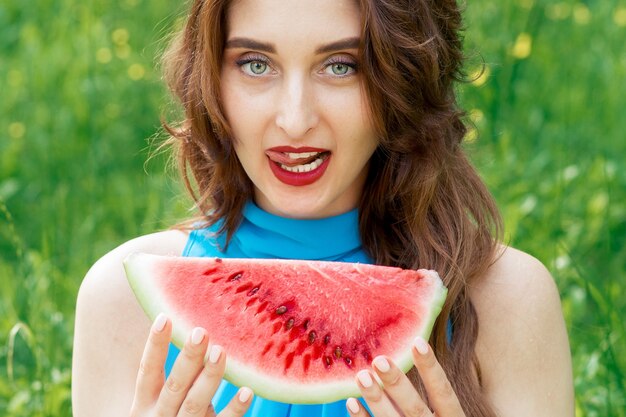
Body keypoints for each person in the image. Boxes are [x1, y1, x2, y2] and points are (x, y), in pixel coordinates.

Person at [71, 0, 575, 416]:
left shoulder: (509, 301)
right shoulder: (122, 301)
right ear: (211, 82)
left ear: (403, 80)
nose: (295, 120)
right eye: (255, 63)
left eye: (341, 66)